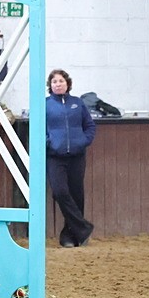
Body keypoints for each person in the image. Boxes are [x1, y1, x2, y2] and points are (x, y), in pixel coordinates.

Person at [45, 69, 96, 247]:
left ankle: (70, 236)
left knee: (77, 195)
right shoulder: (45, 105)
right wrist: (49, 142)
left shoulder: (78, 103)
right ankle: (83, 227)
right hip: (55, 156)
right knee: (60, 192)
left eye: (61, 81)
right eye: (54, 81)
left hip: (77, 156)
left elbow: (89, 125)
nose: (57, 84)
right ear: (50, 85)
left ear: (67, 83)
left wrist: (83, 141)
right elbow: (39, 128)